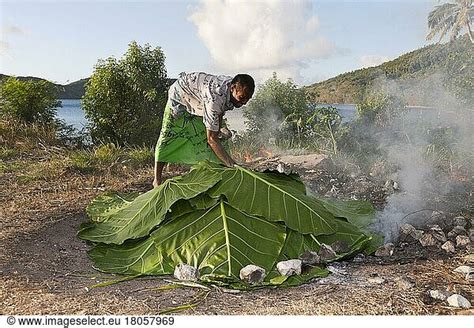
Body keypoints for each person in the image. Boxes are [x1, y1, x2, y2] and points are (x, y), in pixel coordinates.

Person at [153, 72, 255, 187]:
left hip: (199, 98)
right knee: (169, 136)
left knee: (204, 136)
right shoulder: (214, 99)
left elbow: (220, 111)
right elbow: (211, 139)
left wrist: (220, 127)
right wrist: (233, 165)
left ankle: (213, 174)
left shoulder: (231, 87)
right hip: (180, 94)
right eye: (242, 98)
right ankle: (157, 180)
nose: (244, 102)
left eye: (248, 98)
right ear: (232, 88)